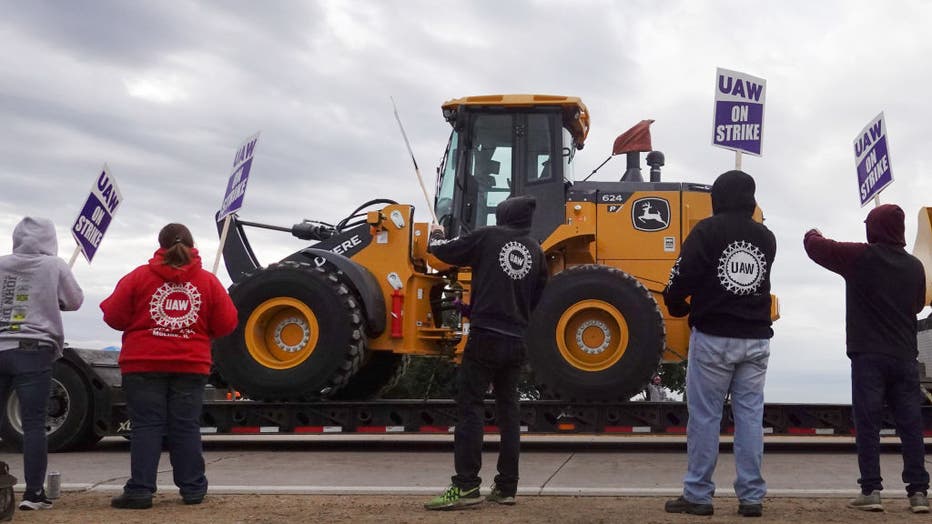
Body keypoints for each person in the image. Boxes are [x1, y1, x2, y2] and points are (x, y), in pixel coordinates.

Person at [662, 170, 776, 517]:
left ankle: (698, 494)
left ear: (717, 197)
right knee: (750, 419)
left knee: (706, 417)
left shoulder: (707, 231)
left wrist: (675, 301)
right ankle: (752, 497)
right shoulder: (767, 238)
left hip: (714, 338)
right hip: (756, 340)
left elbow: (683, 275)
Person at [100, 223, 237, 509]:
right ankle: (193, 489)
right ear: (193, 244)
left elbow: (113, 316)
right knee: (185, 427)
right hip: (190, 364)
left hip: (143, 364)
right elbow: (227, 323)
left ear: (160, 245)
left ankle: (140, 491)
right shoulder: (208, 282)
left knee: (146, 427)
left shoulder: (138, 277)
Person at [424, 195, 548, 510]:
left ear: (504, 215)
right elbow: (537, 298)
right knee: (509, 413)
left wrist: (436, 235)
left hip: (485, 337)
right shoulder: (536, 251)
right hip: (516, 339)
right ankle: (507, 487)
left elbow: (441, 253)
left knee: (471, 407)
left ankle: (466, 486)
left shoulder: (489, 236)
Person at [804, 204, 929, 513]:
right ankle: (918, 495)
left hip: (868, 357)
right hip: (904, 357)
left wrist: (812, 231)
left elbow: (816, 247)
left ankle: (871, 490)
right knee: (911, 426)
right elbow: (915, 307)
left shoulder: (860, 257)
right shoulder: (916, 268)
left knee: (869, 424)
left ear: (873, 227)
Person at [0, 217, 83, 511]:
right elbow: (75, 301)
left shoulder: (1, 263)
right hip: (34, 350)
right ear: (50, 239)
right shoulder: (54, 266)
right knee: (34, 424)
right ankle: (33, 493)